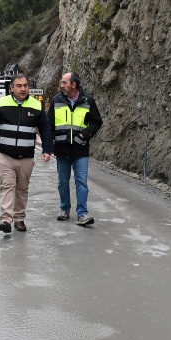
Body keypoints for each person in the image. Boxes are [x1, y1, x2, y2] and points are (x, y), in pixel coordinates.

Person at [0, 73, 54, 233]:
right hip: (5, 156)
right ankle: (6, 220)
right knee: (7, 186)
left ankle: (19, 219)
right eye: (19, 86)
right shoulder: (2, 103)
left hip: (26, 157)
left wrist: (47, 149)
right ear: (12, 88)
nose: (23, 89)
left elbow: (45, 129)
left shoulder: (36, 106)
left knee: (22, 189)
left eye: (25, 86)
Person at [48, 72, 103, 226]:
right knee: (63, 182)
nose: (61, 85)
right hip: (61, 149)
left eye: (64, 82)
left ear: (73, 84)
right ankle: (64, 209)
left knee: (81, 182)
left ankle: (82, 214)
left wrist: (85, 135)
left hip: (81, 149)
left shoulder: (88, 100)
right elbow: (49, 124)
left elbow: (97, 122)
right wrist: (49, 145)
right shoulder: (57, 100)